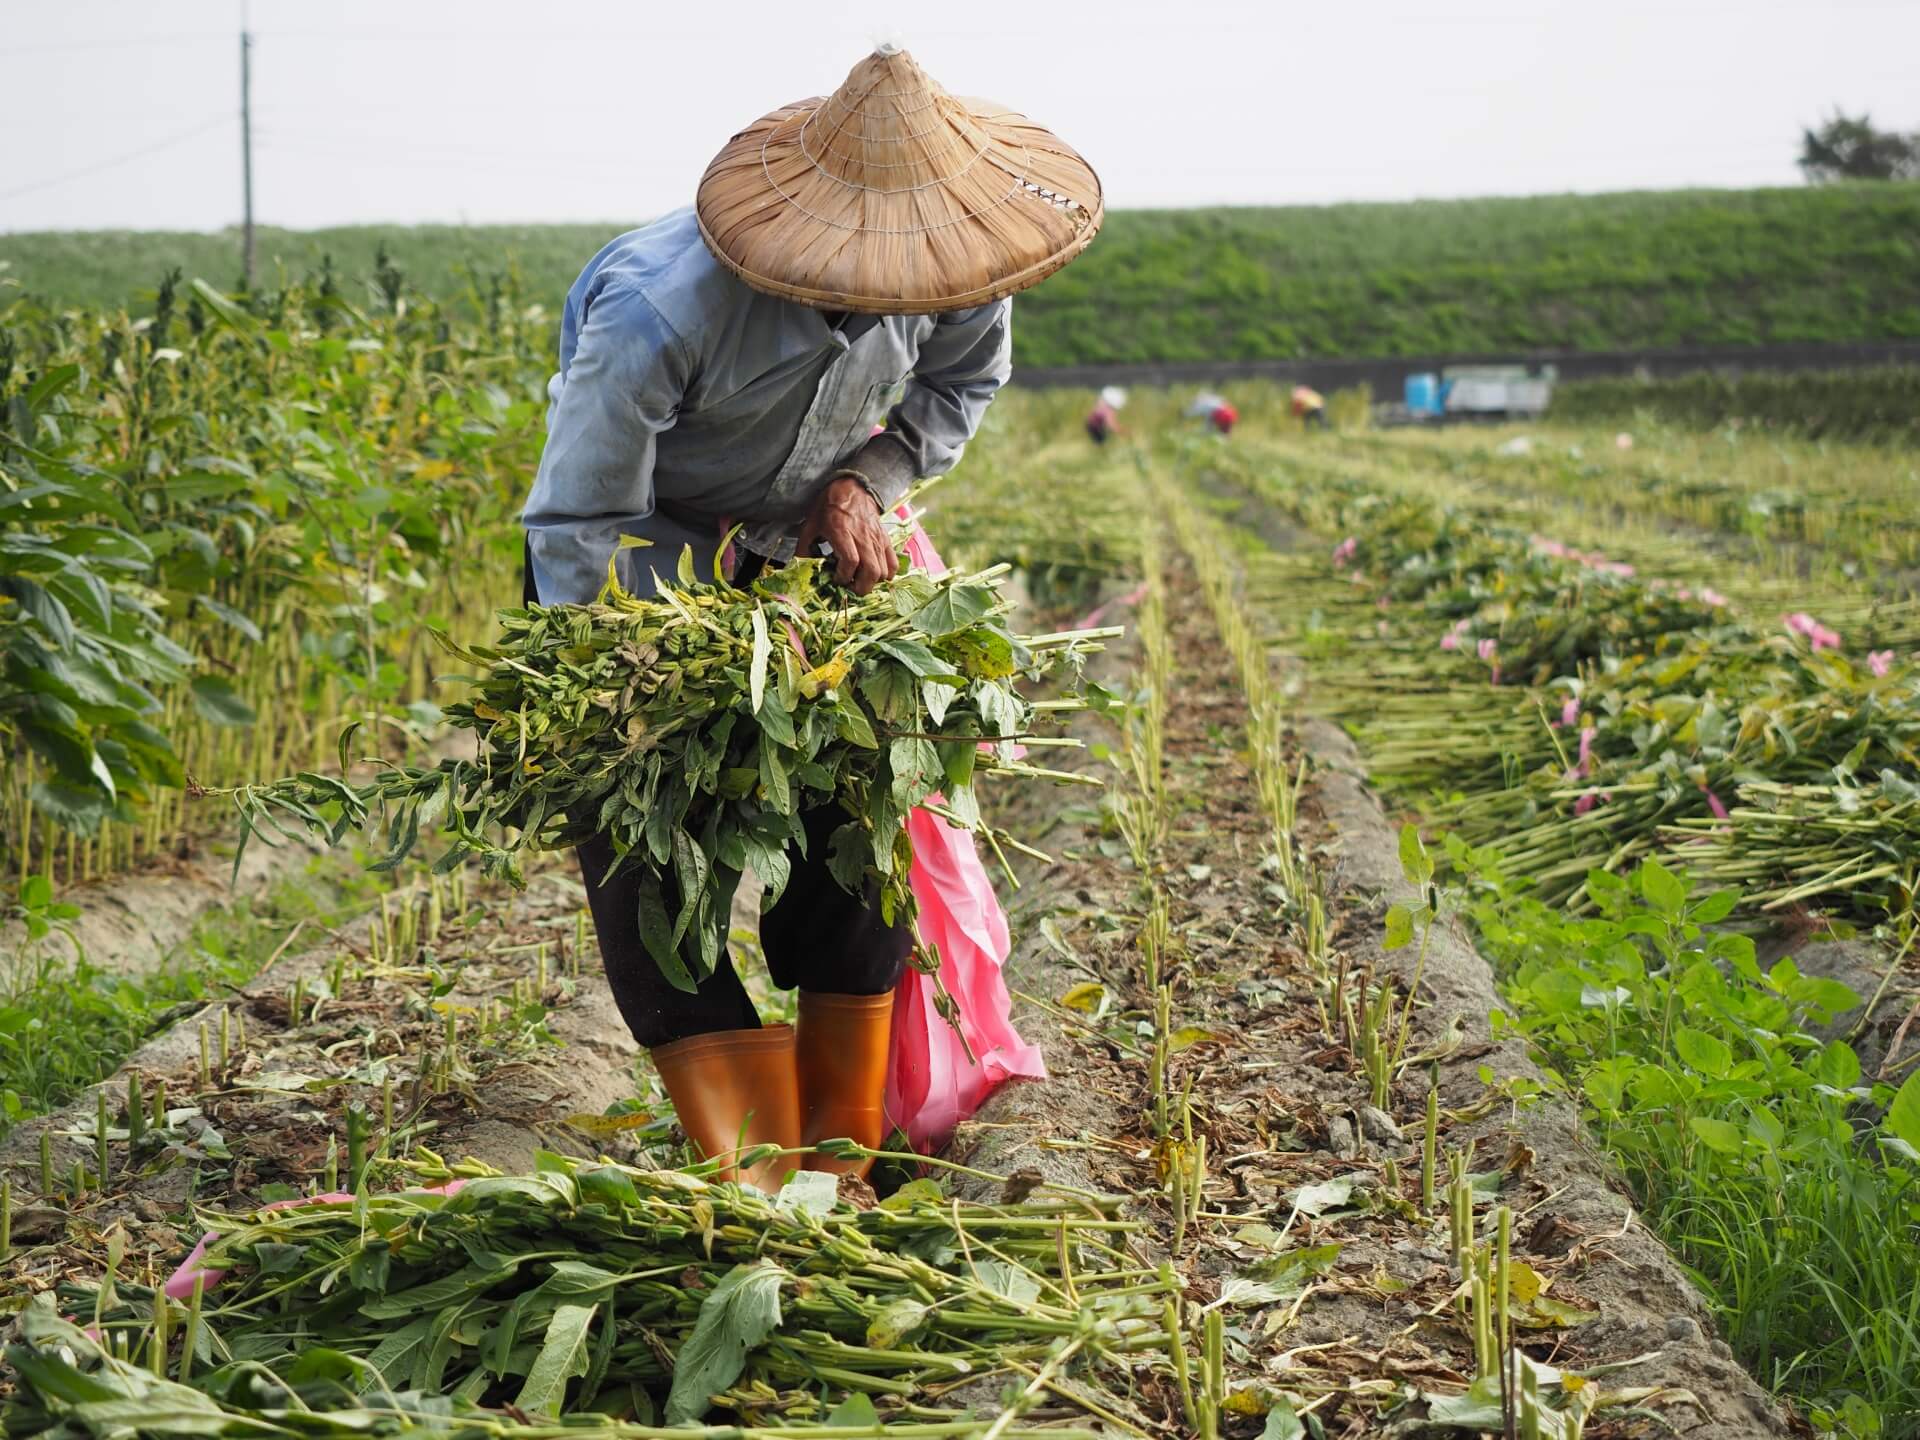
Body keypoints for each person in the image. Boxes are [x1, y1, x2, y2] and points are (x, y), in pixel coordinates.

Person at [520, 47, 1102, 1188]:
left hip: (814, 553)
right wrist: (603, 682)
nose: (912, 293)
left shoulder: (959, 267)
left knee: (862, 830)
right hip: (648, 555)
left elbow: (957, 388)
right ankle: (759, 1180)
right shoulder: (659, 311)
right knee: (649, 866)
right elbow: (580, 516)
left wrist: (863, 483)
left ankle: (845, 1158)